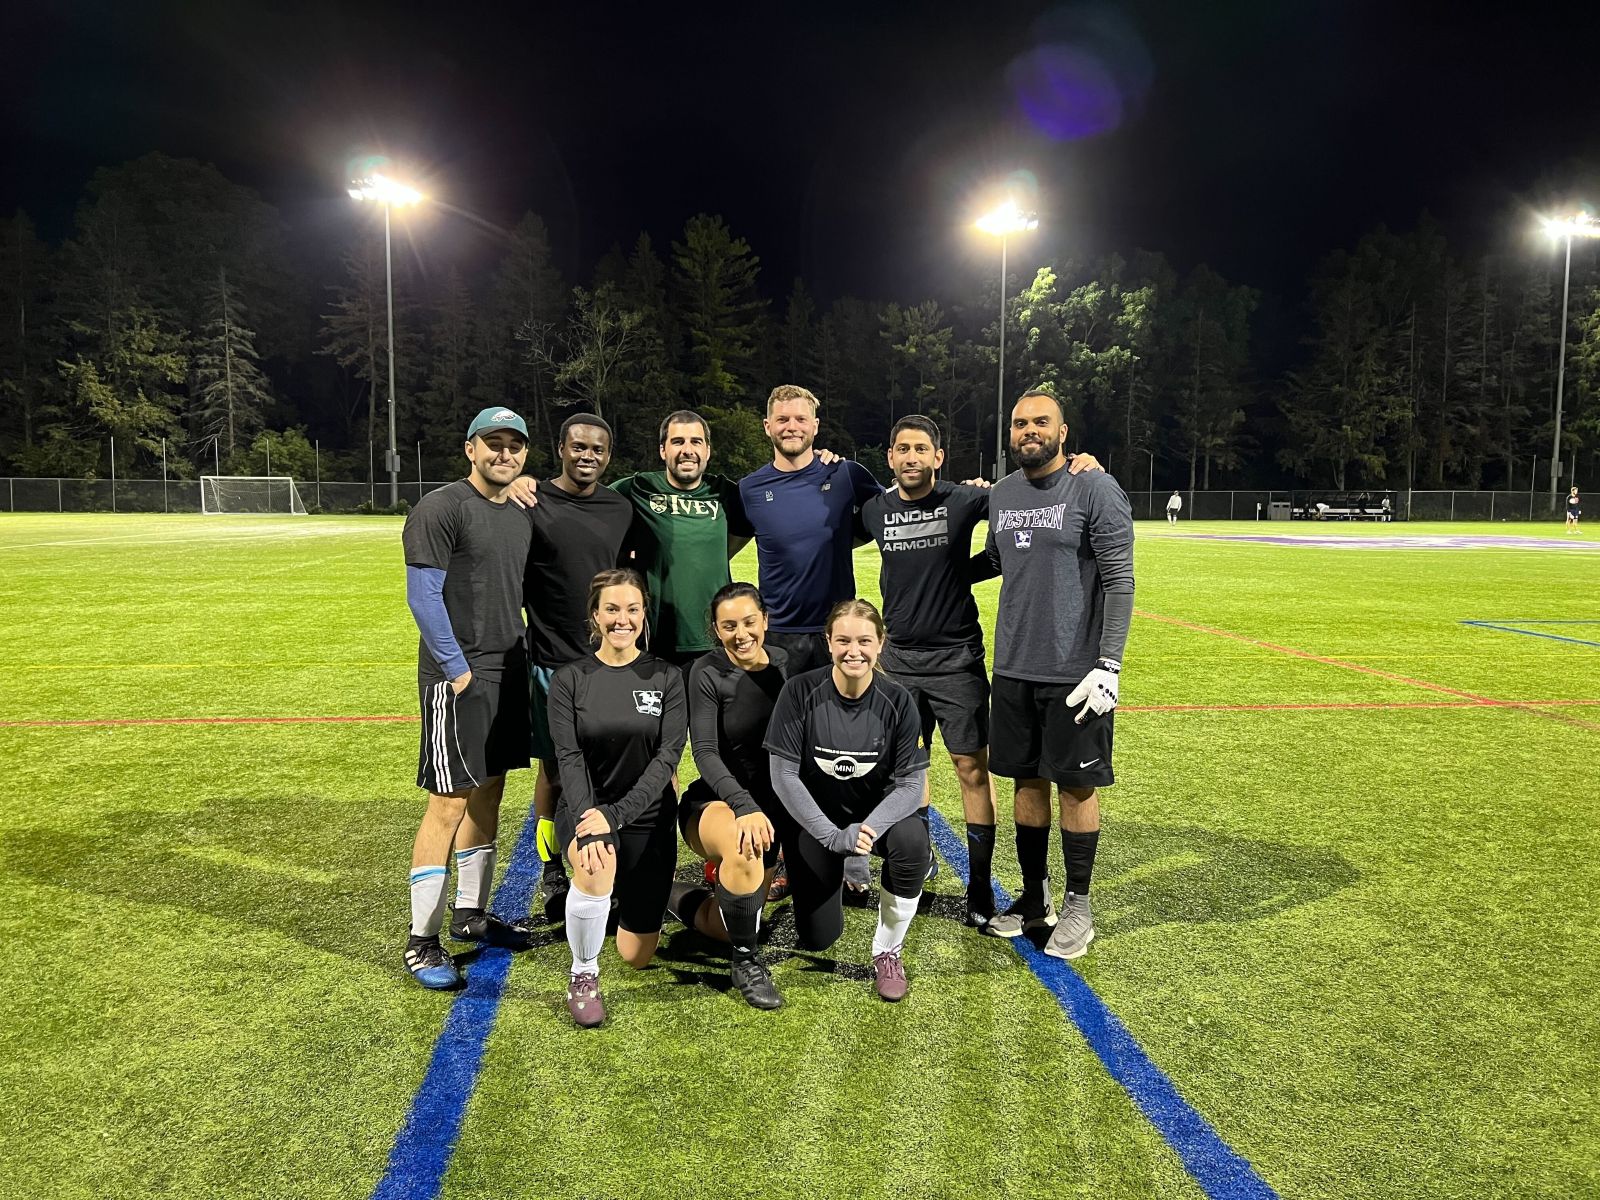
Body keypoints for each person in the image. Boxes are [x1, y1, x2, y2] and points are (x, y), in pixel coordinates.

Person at [984, 390, 1134, 959]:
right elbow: (997, 560)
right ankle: (1034, 896)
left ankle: (1079, 904)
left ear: (1063, 431)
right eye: (1020, 423)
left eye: (1041, 422)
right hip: (1013, 665)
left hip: (1076, 673)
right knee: (1026, 782)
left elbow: (1120, 580)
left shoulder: (1094, 486)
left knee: (1076, 785)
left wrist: (1108, 664)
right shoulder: (1002, 493)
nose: (1029, 430)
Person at [399, 407, 536, 989]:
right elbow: (423, 596)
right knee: (448, 803)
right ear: (470, 448)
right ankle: (421, 941)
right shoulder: (441, 507)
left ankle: (471, 913)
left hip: (508, 671)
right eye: (493, 444)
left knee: (489, 791)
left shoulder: (519, 514)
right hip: (460, 678)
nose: (505, 454)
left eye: (514, 446)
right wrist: (456, 672)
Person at [764, 599, 930, 1001]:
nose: (853, 651)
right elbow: (783, 775)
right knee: (819, 938)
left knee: (912, 843)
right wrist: (832, 837)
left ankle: (888, 950)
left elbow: (912, 785)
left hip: (875, 820)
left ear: (880, 643)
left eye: (864, 641)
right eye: (843, 641)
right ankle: (828, 877)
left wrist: (866, 832)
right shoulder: (799, 691)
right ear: (828, 642)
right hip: (818, 823)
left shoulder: (898, 700)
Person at [548, 568, 688, 1027]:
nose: (621, 619)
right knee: (595, 862)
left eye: (631, 609)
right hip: (587, 810)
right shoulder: (570, 679)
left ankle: (672, 896)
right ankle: (583, 975)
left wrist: (619, 814)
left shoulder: (667, 677)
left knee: (636, 954)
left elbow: (667, 759)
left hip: (646, 817)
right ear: (595, 616)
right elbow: (568, 758)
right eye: (611, 609)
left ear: (644, 615)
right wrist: (592, 818)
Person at [516, 414, 636, 922]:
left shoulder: (620, 507)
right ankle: (551, 867)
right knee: (555, 770)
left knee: (613, 766)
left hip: (607, 663)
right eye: (579, 447)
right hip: (551, 661)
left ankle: (616, 861)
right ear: (561, 448)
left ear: (609, 456)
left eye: (598, 449)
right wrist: (518, 481)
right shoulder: (531, 500)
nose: (588, 456)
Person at [669, 583, 791, 1009]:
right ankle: (745, 963)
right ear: (717, 630)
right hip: (716, 804)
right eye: (729, 626)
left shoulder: (785, 664)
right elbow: (704, 752)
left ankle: (668, 892)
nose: (741, 634)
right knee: (743, 848)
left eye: (749, 622)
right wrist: (745, 807)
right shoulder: (706, 672)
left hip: (772, 814)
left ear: (765, 621)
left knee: (731, 925)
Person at [739, 384, 882, 675]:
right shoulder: (748, 489)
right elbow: (728, 544)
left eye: (801, 419)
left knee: (843, 706)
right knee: (781, 706)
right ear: (767, 426)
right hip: (778, 633)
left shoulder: (845, 474)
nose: (792, 427)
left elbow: (892, 511)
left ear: (815, 426)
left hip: (838, 630)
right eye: (782, 419)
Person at [610, 410, 755, 680]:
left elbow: (746, 531)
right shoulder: (638, 487)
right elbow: (587, 498)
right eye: (677, 442)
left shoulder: (725, 492)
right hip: (656, 640)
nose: (687, 450)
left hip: (716, 637)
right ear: (663, 450)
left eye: (695, 442)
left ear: (707, 450)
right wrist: (530, 484)